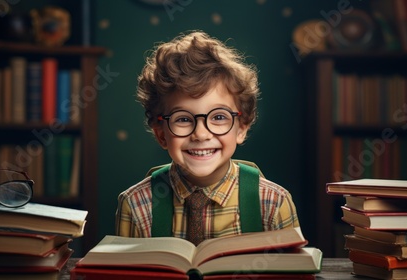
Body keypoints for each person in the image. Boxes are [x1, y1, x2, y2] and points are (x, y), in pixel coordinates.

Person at [115, 31, 300, 244]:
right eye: (183, 119)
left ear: (241, 128)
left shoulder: (273, 204)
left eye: (219, 117)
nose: (201, 134)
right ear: (161, 134)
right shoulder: (136, 205)